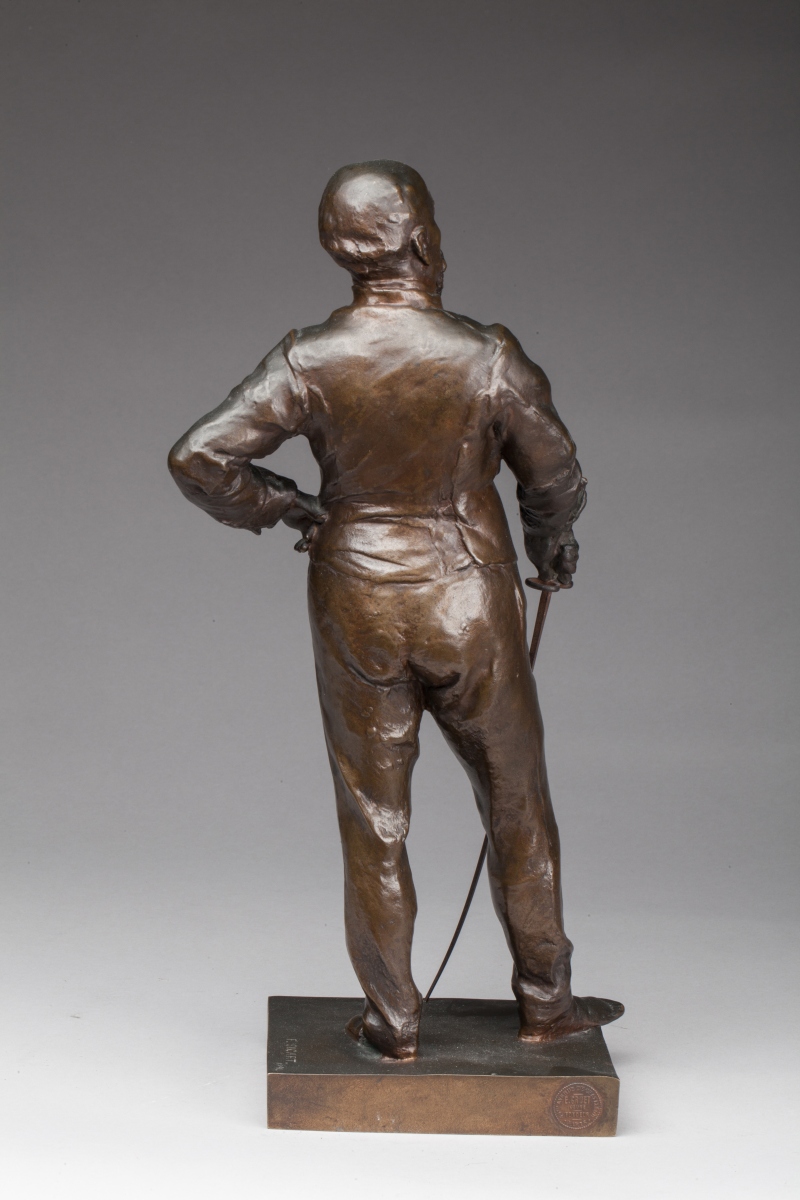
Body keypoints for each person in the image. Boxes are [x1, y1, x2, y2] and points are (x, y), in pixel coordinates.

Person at [168, 161, 623, 1059]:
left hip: (356, 601)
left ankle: (393, 1024)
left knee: (373, 821)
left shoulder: (309, 358)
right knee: (517, 801)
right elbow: (555, 474)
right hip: (469, 599)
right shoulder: (486, 355)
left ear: (343, 250)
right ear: (421, 237)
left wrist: (289, 507)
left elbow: (199, 459)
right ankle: (547, 1003)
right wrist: (550, 545)